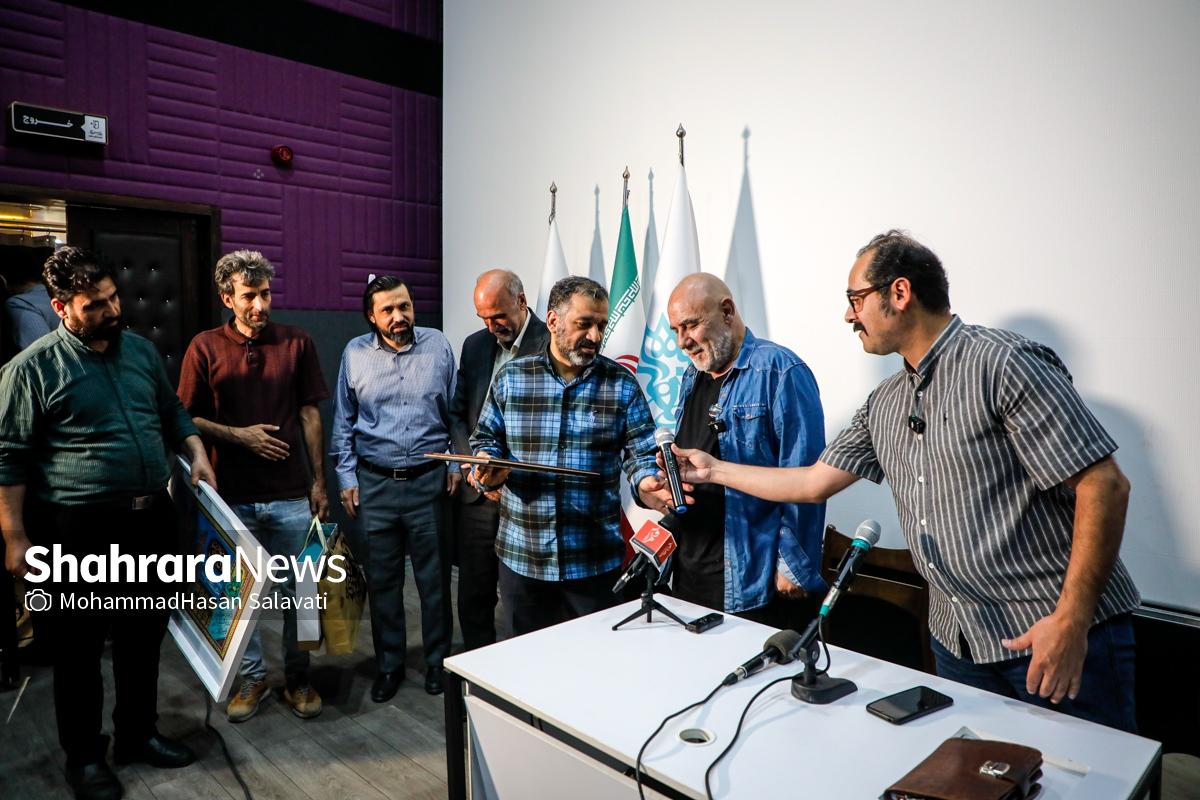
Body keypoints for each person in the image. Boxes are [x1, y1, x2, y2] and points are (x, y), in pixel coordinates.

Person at [672, 230, 1140, 732]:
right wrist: (713, 469)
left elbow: (1105, 485)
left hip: (1049, 634)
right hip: (959, 642)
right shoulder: (886, 401)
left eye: (855, 299)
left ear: (899, 292)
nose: (848, 315)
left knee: (1088, 771)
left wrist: (1070, 621)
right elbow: (811, 482)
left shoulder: (1003, 363)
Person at [0, 247, 217, 800]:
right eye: (94, 304)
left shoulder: (140, 351)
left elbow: (170, 411)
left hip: (150, 521)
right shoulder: (29, 369)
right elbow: (9, 458)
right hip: (77, 530)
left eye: (113, 297)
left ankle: (138, 735)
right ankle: (85, 757)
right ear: (60, 307)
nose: (112, 310)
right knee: (78, 651)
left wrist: (196, 451)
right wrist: (14, 537)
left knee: (142, 640)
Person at [469, 276, 682, 636]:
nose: (595, 336)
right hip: (523, 559)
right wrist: (486, 466)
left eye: (601, 325)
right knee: (525, 661)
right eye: (584, 324)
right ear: (553, 321)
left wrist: (648, 480)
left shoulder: (621, 384)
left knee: (592, 662)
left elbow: (642, 453)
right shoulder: (511, 377)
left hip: (594, 563)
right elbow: (485, 439)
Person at [177, 250, 330, 722]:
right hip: (229, 499)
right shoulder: (204, 347)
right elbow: (185, 416)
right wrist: (238, 435)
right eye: (249, 296)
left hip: (291, 495)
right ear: (228, 298)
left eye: (265, 294)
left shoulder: (297, 342)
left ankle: (298, 676)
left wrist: (319, 482)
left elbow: (310, 414)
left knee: (303, 595)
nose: (260, 305)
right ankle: (252, 678)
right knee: (234, 597)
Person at [664, 273, 825, 628]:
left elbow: (807, 477)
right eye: (675, 330)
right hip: (689, 574)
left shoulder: (781, 371)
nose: (682, 342)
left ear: (726, 311)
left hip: (754, 580)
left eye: (690, 325)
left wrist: (792, 565)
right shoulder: (692, 376)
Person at [330, 275, 458, 700]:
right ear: (372, 316)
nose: (398, 315)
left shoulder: (438, 345)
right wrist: (346, 477)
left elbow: (455, 411)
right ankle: (390, 666)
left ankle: (438, 663)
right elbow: (343, 422)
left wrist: (456, 461)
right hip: (376, 485)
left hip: (428, 482)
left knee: (434, 582)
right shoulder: (355, 354)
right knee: (383, 583)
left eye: (404, 306)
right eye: (387, 309)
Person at [448, 269, 549, 650]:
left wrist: (505, 474)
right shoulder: (475, 346)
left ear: (521, 301)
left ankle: (518, 671)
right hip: (477, 495)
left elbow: (550, 425)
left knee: (522, 600)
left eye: (499, 316)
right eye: (484, 318)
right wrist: (475, 464)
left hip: (524, 497)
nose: (492, 327)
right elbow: (458, 414)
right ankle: (476, 668)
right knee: (473, 594)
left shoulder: (550, 344)